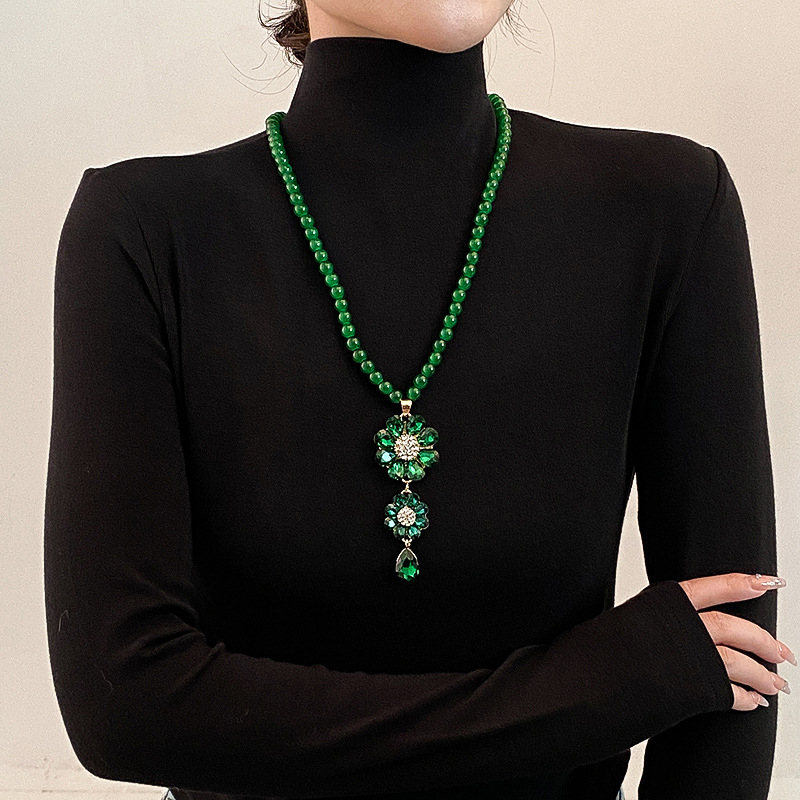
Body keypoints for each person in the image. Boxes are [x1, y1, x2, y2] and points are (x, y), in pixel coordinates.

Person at [43, 2, 791, 799]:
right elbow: (123, 709)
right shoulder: (145, 228)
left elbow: (731, 680)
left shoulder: (668, 206)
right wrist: (605, 682)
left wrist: (634, 679)